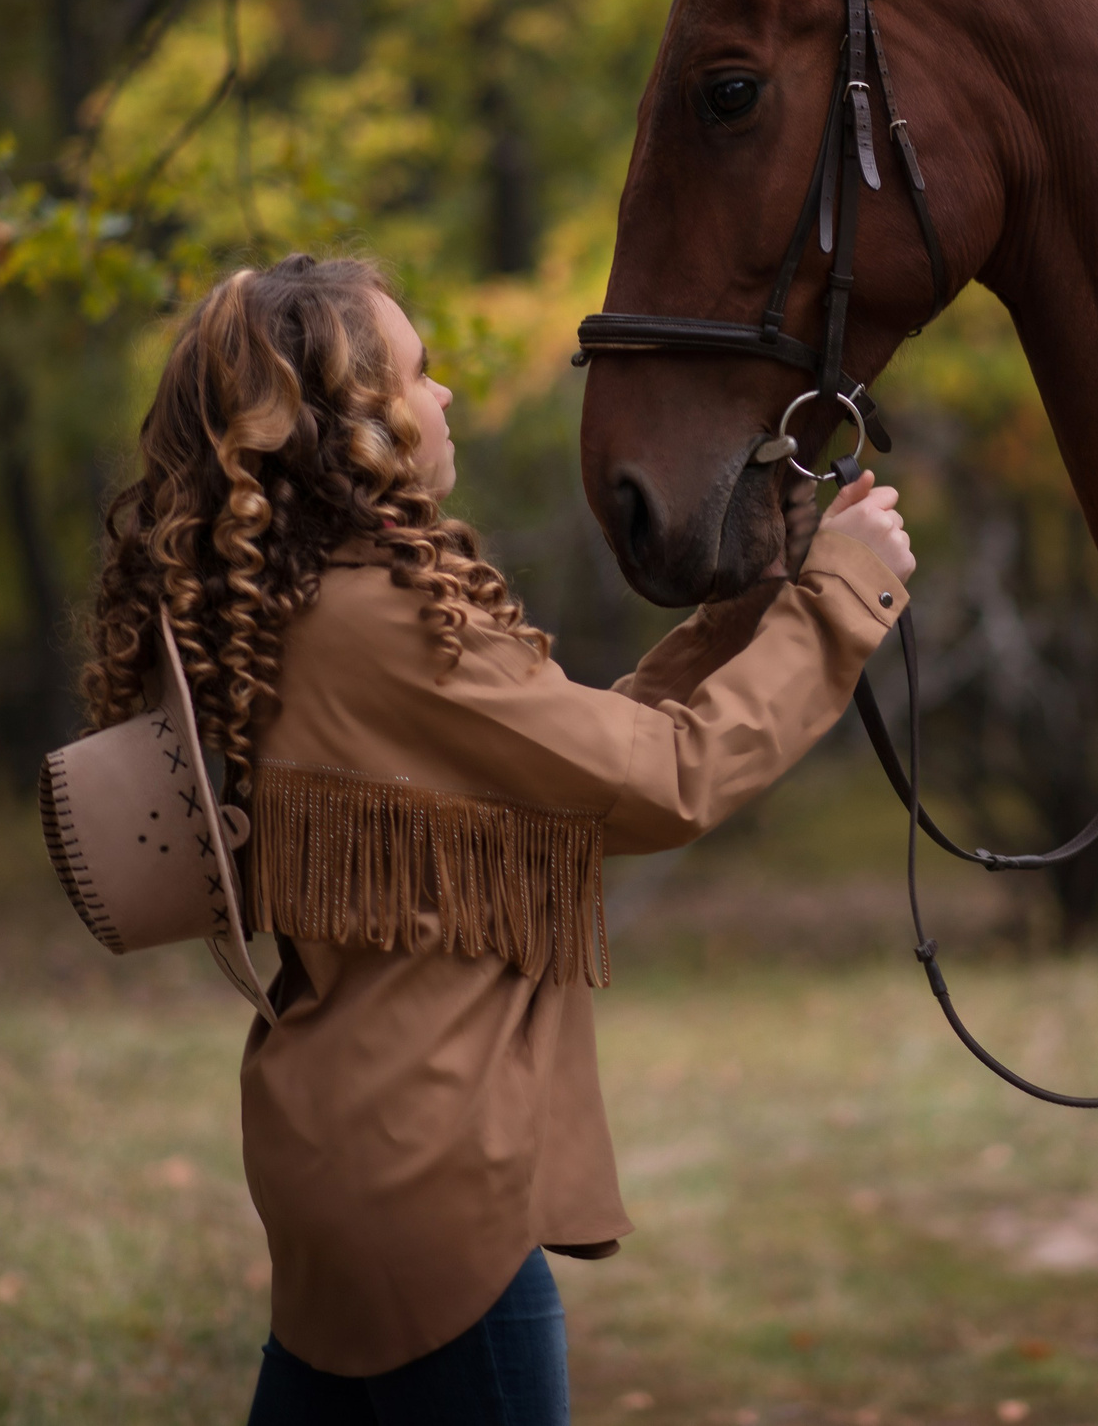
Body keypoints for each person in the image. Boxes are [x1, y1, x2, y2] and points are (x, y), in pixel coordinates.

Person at [80, 254, 914, 1426]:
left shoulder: (292, 611)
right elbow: (664, 776)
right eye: (420, 376)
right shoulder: (387, 624)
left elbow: (573, 761)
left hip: (338, 1150)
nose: (446, 397)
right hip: (433, 1183)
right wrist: (841, 595)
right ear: (350, 426)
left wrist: (747, 608)